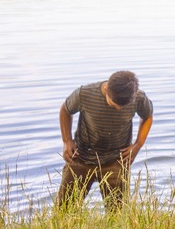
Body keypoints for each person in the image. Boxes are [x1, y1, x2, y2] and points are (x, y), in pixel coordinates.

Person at [56, 70, 153, 211]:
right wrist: (67, 141)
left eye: (123, 107)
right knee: (64, 209)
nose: (119, 109)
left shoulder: (139, 98)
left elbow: (147, 116)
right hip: (81, 157)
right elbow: (65, 110)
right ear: (106, 89)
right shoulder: (84, 94)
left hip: (116, 160)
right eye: (114, 105)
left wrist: (138, 145)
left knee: (117, 212)